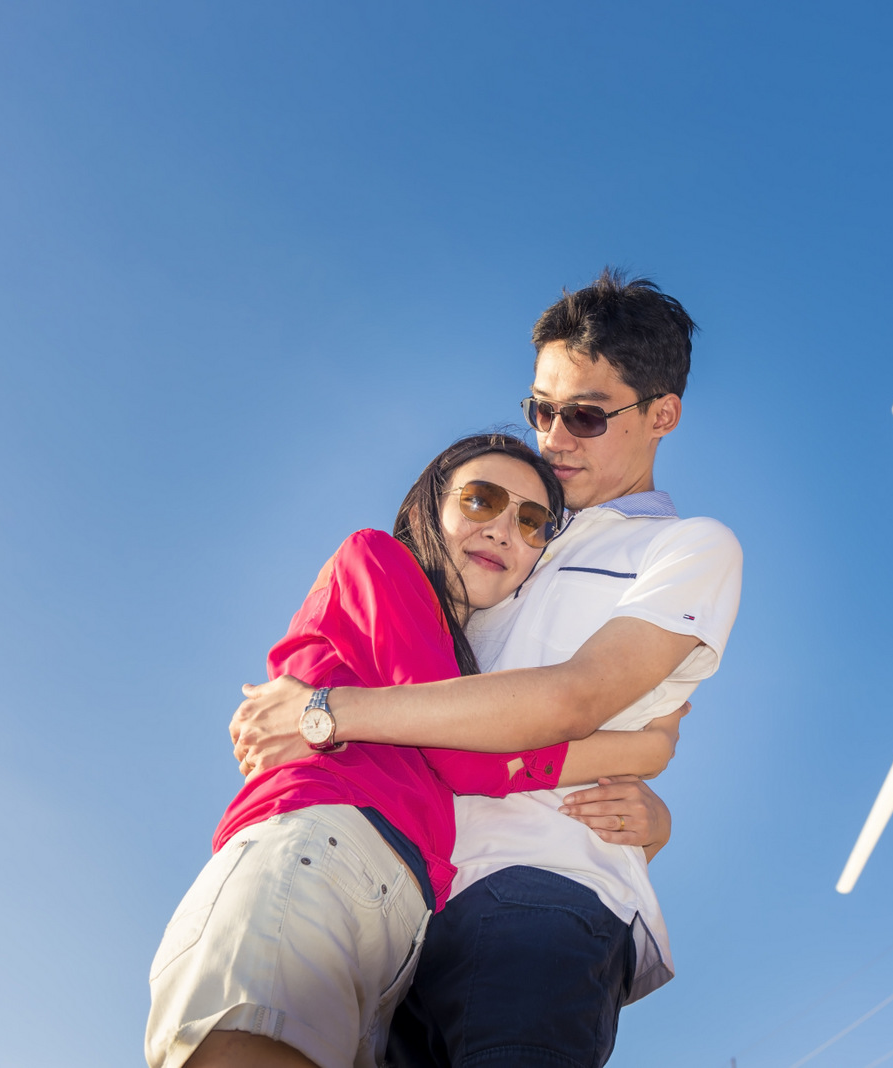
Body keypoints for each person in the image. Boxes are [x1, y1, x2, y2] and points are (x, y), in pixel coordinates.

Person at [231, 269, 743, 1067]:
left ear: (662, 414)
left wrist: (328, 714)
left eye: (584, 415)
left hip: (540, 891)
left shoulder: (688, 549)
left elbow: (573, 698)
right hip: (402, 898)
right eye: (540, 409)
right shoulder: (505, 540)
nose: (553, 438)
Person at [147, 434, 686, 1068]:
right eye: (481, 500)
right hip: (316, 846)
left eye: (533, 520)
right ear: (428, 509)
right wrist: (642, 751)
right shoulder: (379, 559)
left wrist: (655, 820)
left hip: (403, 918)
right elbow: (469, 761)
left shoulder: (470, 658)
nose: (505, 530)